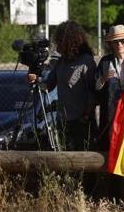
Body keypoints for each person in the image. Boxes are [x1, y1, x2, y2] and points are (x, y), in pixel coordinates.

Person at [28, 20, 97, 151]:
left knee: (83, 159)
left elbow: (92, 92)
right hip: (63, 120)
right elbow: (48, 85)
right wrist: (36, 79)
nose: (58, 44)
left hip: (81, 121)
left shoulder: (86, 62)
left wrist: (86, 115)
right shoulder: (61, 61)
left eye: (60, 40)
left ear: (71, 41)